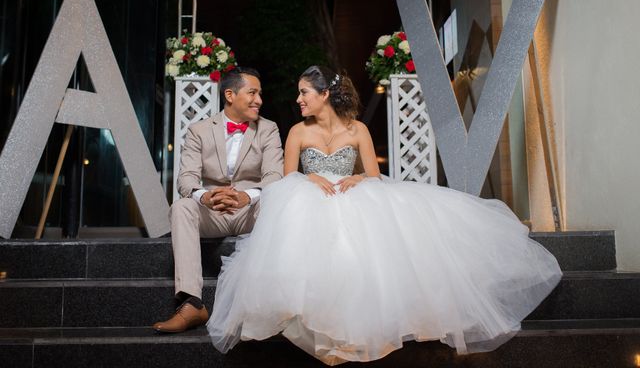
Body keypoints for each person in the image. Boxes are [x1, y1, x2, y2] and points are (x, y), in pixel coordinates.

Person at [206, 65, 561, 365]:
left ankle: (358, 327)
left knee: (373, 236)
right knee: (306, 227)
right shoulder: (298, 131)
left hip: (351, 190)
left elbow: (373, 176)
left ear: (324, 95)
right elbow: (286, 177)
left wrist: (357, 177)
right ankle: (319, 323)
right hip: (309, 194)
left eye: (304, 93)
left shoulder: (357, 129)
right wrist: (308, 176)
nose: (298, 100)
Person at [153, 67, 284, 333]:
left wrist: (247, 196)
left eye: (260, 94)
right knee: (182, 207)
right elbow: (186, 179)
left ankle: (277, 302)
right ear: (230, 95)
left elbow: (274, 176)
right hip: (213, 212)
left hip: (251, 212)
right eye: (252, 93)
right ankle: (192, 303)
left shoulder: (269, 129)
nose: (259, 100)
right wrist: (207, 196)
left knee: (282, 203)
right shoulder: (199, 130)